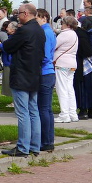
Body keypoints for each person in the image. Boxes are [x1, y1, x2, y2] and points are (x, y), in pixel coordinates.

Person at [0, 3, 44, 158]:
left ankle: (23, 147)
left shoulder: (24, 30)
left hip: (22, 74)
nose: (17, 16)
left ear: (26, 13)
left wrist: (1, 44)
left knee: (23, 112)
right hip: (34, 74)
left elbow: (8, 47)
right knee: (34, 111)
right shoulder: (39, 30)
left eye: (19, 13)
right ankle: (35, 146)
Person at [36, 9, 57, 151]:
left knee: (43, 109)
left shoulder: (44, 32)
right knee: (47, 109)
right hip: (49, 72)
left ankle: (46, 141)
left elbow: (44, 55)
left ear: (44, 18)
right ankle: (48, 140)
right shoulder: (51, 32)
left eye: (37, 18)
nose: (35, 21)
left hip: (44, 72)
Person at [53, 16, 79, 123]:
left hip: (62, 63)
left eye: (63, 23)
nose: (61, 25)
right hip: (72, 63)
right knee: (69, 89)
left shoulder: (64, 34)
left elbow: (53, 46)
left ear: (67, 25)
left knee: (62, 89)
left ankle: (64, 114)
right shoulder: (74, 34)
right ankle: (73, 113)